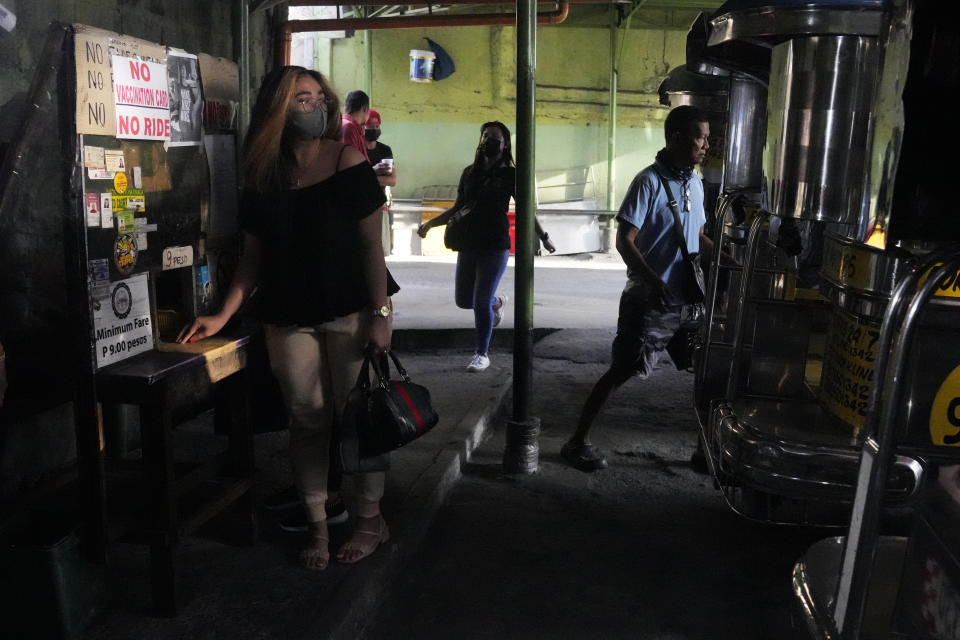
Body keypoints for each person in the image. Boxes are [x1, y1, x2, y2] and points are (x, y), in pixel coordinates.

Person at [177, 66, 398, 570]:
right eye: (301, 98)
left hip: (351, 309)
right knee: (306, 419)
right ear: (278, 108)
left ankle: (369, 521)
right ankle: (318, 525)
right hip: (287, 314)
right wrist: (221, 314)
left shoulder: (347, 161)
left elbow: (372, 247)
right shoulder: (263, 173)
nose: (314, 106)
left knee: (358, 420)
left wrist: (381, 312)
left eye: (319, 97)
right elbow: (252, 257)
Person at [561, 105, 714, 472]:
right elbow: (624, 241)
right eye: (700, 137)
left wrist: (728, 257)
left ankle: (703, 451)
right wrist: (651, 279)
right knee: (623, 369)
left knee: (708, 372)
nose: (706, 144)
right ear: (676, 138)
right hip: (650, 302)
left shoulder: (694, 181)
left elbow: (699, 236)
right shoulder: (648, 182)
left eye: (708, 137)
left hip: (688, 303)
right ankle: (576, 442)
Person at [416, 121, 555, 372]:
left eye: (495, 137)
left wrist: (543, 236)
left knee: (479, 301)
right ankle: (496, 303)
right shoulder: (470, 173)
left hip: (495, 244)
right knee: (463, 300)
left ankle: (482, 353)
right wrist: (431, 225)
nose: (488, 141)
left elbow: (525, 209)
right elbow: (458, 208)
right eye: (485, 136)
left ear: (505, 144)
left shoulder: (511, 175)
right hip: (468, 243)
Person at [365, 109, 396, 254]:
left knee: (378, 249)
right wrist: (377, 176)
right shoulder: (357, 149)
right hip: (361, 204)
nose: (374, 130)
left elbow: (391, 180)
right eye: (370, 127)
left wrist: (368, 177)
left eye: (377, 127)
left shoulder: (385, 150)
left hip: (378, 204)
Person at [341, 90, 371, 162]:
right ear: (364, 108)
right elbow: (351, 165)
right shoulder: (349, 128)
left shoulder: (351, 126)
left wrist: (373, 170)